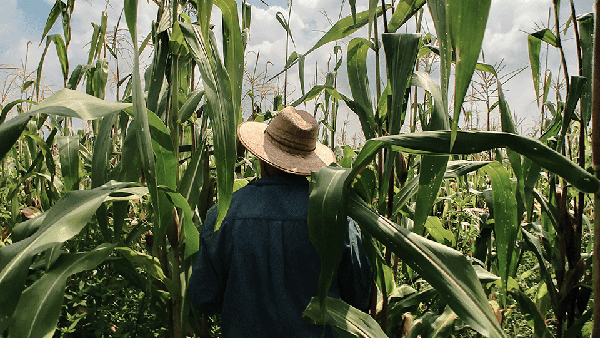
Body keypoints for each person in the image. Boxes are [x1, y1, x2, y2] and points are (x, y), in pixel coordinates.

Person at [189, 106, 372, 337]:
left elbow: (203, 298)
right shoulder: (335, 218)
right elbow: (359, 298)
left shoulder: (224, 214)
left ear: (262, 157)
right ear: (309, 162)